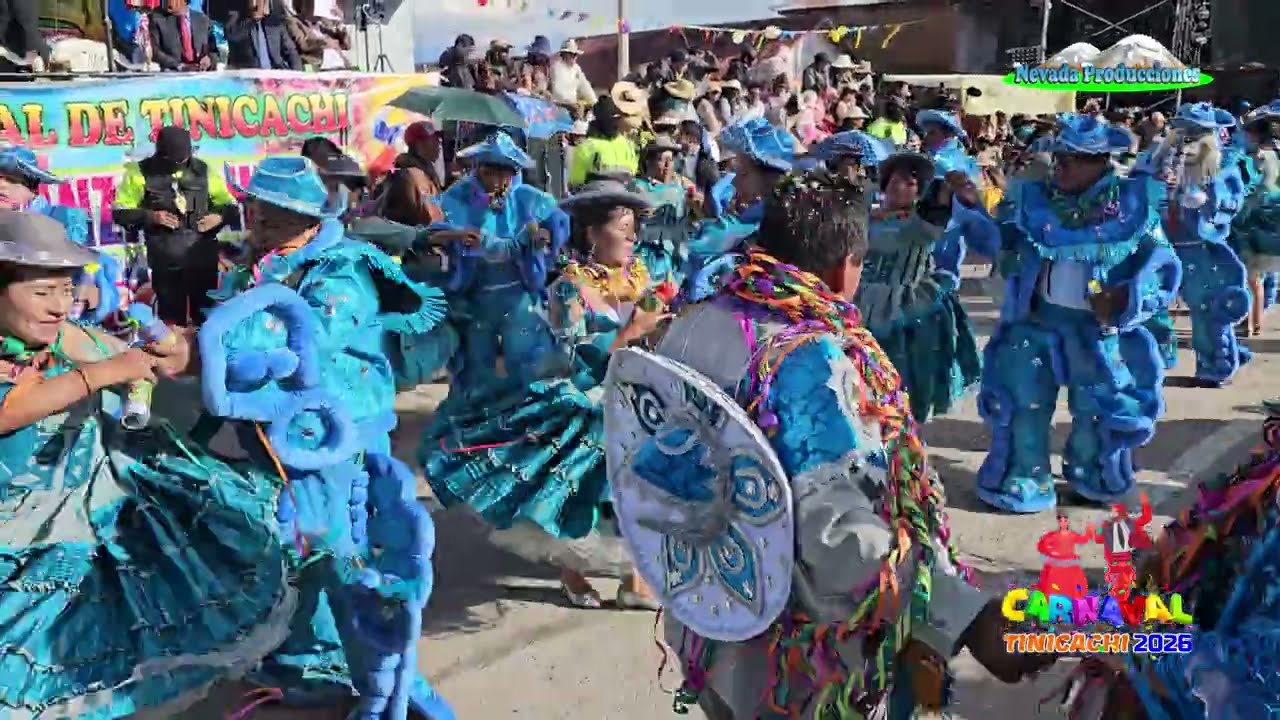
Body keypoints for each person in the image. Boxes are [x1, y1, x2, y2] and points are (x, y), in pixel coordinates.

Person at [614, 174, 1053, 719]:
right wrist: (965, 615)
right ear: (845, 266)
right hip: (792, 657)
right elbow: (838, 532)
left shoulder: (695, 317)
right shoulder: (810, 359)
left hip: (707, 610)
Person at [190, 156, 456, 719]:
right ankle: (305, 658)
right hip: (272, 435)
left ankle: (389, 686)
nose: (257, 218)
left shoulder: (343, 267)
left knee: (341, 552)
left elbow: (305, 332)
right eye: (255, 207)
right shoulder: (255, 267)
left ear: (306, 215)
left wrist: (204, 349)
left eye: (272, 211)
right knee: (293, 547)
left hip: (339, 436)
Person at [0, 210, 294, 718]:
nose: (58, 306)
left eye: (66, 290)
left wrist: (165, 352)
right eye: (41, 292)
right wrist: (101, 374)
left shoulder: (64, 333)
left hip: (85, 510)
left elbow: (132, 357)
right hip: (18, 532)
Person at [420, 176, 665, 610]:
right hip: (585, 403)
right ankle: (573, 570)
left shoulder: (640, 279)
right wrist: (631, 332)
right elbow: (570, 362)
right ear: (591, 234)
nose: (632, 236)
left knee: (639, 486)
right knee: (581, 491)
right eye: (622, 226)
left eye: (634, 226)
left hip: (636, 398)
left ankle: (634, 578)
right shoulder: (569, 288)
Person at [977, 115, 1181, 513]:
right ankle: (1026, 475)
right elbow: (997, 241)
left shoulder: (1133, 206)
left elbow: (1163, 267)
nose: (1061, 166)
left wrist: (1125, 299)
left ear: (1102, 162)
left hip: (1096, 333)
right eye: (1060, 157)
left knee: (1096, 410)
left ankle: (1092, 474)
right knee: (1023, 404)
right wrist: (971, 207)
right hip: (1035, 325)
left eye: (1075, 158)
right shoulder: (1032, 199)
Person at [425, 131, 569, 391]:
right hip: (477, 296)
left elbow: (558, 222)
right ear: (478, 168)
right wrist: (457, 236)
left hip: (518, 295)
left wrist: (545, 236)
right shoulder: (458, 196)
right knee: (475, 364)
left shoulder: (527, 198)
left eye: (505, 171)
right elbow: (435, 231)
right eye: (490, 170)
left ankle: (525, 414)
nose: (497, 178)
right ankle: (472, 414)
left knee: (527, 358)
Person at [855, 149, 990, 423]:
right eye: (895, 178)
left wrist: (945, 190)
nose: (899, 184)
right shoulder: (868, 216)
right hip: (861, 303)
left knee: (899, 383)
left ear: (920, 192)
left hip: (902, 310)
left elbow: (932, 221)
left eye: (910, 182)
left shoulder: (919, 222)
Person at [1131, 102, 1249, 385]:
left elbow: (1232, 200)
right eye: (1182, 130)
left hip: (1196, 246)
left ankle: (1214, 366)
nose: (1187, 139)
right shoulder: (1154, 159)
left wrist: (1206, 201)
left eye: (1196, 133)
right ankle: (1157, 357)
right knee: (1148, 301)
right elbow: (1133, 188)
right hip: (1158, 244)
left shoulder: (1222, 167)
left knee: (1206, 307)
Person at [112, 125, 237, 325]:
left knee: (207, 315)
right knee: (171, 318)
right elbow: (120, 213)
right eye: (175, 159)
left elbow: (230, 206)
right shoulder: (138, 172)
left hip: (202, 254)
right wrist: (151, 216)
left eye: (184, 158)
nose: (180, 163)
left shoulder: (203, 170)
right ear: (161, 153)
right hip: (165, 257)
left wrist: (219, 217)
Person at [0, 146, 121, 324]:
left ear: (33, 189)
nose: (1, 185)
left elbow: (82, 278)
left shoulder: (62, 219)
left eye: (11, 180)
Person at [682, 118, 795, 301]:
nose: (734, 180)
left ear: (768, 177)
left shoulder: (769, 221)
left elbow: (702, 245)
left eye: (743, 173)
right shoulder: (760, 213)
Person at [1235, 101, 1280, 335]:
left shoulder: (1261, 156)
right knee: (1258, 276)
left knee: (1250, 274)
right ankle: (1256, 321)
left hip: (1257, 216)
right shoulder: (1275, 154)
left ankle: (1250, 322)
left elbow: (1254, 186)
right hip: (1272, 216)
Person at [633, 135, 699, 284]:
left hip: (675, 255)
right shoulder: (638, 187)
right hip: (647, 256)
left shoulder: (680, 189)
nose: (668, 165)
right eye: (662, 159)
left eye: (671, 160)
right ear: (649, 162)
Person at [376, 119, 445, 227]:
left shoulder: (428, 173)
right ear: (419, 144)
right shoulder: (406, 175)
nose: (439, 144)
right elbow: (407, 218)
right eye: (434, 139)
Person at [1090, 493, 1152, 599]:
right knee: (1123, 583)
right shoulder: (1125, 524)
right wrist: (1145, 503)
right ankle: (1121, 600)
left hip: (1118, 561)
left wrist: (1094, 529)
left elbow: (1098, 538)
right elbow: (1146, 518)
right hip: (1122, 560)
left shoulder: (1110, 525)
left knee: (1118, 584)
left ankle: (1118, 601)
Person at [569, 96, 639, 188]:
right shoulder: (588, 147)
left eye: (616, 118)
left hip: (613, 198)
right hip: (610, 198)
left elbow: (576, 182)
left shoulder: (628, 145)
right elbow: (576, 183)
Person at [225, 0, 301, 70]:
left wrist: (297, 74)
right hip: (250, 74)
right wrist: (251, 20)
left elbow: (291, 51)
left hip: (275, 72)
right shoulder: (237, 18)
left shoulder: (275, 23)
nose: (255, 4)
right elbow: (232, 37)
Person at [1037, 511, 1095, 599]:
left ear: (1068, 522)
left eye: (1065, 521)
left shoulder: (1072, 535)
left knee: (1072, 582)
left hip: (1069, 562)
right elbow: (1042, 545)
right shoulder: (1053, 536)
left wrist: (1089, 531)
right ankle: (1052, 601)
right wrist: (1052, 552)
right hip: (1056, 562)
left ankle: (1072, 599)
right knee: (1053, 582)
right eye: (1061, 521)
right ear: (1058, 522)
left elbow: (1083, 539)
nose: (1063, 523)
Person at [147, 0, 217, 71]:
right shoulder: (156, 19)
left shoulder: (203, 19)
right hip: (172, 73)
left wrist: (209, 59)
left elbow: (213, 50)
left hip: (201, 74)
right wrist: (180, 66)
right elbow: (155, 52)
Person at [548, 39, 596, 114]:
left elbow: (586, 88)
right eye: (571, 54)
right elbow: (559, 93)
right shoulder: (557, 68)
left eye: (575, 54)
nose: (574, 57)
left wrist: (594, 102)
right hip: (559, 109)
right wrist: (570, 104)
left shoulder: (576, 69)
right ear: (564, 54)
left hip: (574, 108)